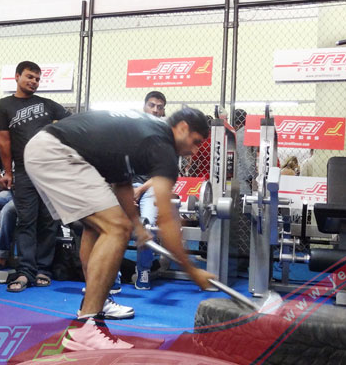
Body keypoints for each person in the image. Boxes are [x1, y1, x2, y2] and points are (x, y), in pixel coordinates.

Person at [23, 107, 216, 350]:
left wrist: (137, 225)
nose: (195, 151)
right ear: (183, 128)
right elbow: (167, 219)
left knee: (96, 228)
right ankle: (87, 326)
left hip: (45, 148)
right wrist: (192, 270)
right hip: (57, 153)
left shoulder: (144, 134)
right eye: (196, 142)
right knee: (116, 228)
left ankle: (95, 302)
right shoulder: (163, 146)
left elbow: (122, 184)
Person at [0, 61, 68, 292]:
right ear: (17, 77)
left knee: (48, 221)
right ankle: (26, 270)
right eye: (29, 77)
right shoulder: (3, 105)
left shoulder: (48, 105)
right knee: (26, 221)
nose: (34, 82)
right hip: (24, 171)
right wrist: (7, 172)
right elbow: (4, 141)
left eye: (37, 79)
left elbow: (70, 124)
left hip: (49, 171)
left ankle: (44, 269)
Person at [132, 90, 166, 290]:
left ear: (163, 111)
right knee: (114, 226)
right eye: (151, 105)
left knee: (147, 227)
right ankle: (113, 275)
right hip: (126, 185)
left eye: (159, 107)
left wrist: (140, 190)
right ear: (144, 106)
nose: (155, 110)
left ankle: (143, 270)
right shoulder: (130, 131)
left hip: (150, 187)